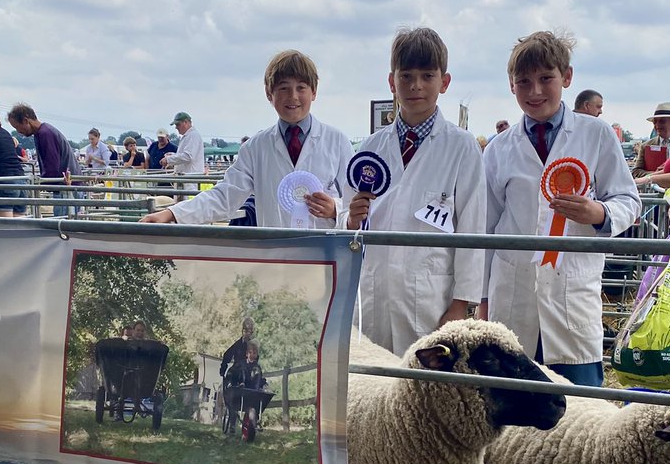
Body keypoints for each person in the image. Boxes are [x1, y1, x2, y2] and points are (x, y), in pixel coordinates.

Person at [482, 31, 641, 387]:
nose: (535, 91)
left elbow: (628, 201)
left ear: (566, 78)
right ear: (511, 86)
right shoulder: (498, 150)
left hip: (571, 289)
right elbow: (487, 228)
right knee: (514, 409)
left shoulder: (596, 135)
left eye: (546, 79)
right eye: (524, 82)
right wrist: (482, 299)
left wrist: (597, 213)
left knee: (580, 408)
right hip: (513, 292)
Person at [340, 27, 486, 356]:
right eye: (406, 76)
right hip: (375, 294)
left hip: (432, 300)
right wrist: (351, 220)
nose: (415, 86)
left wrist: (460, 304)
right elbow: (352, 223)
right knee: (377, 390)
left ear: (444, 82)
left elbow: (473, 229)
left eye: (426, 75)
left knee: (426, 393)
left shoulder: (462, 147)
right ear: (392, 82)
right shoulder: (372, 147)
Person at [141, 50, 347, 228]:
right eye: (283, 88)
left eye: (301, 87)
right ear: (269, 93)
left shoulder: (337, 142)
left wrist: (334, 209)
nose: (293, 96)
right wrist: (172, 214)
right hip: (276, 255)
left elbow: (356, 204)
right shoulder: (256, 147)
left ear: (314, 92)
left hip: (327, 256)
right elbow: (225, 196)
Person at [7, 104, 78, 181]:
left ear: (25, 121)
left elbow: (52, 167)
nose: (18, 131)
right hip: (68, 185)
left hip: (66, 187)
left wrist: (42, 183)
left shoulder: (45, 134)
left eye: (17, 127)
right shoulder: (43, 132)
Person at [632, 102, 670, 176]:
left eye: (662, 121)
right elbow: (636, 171)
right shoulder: (646, 146)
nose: (657, 125)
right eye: (655, 122)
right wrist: (656, 175)